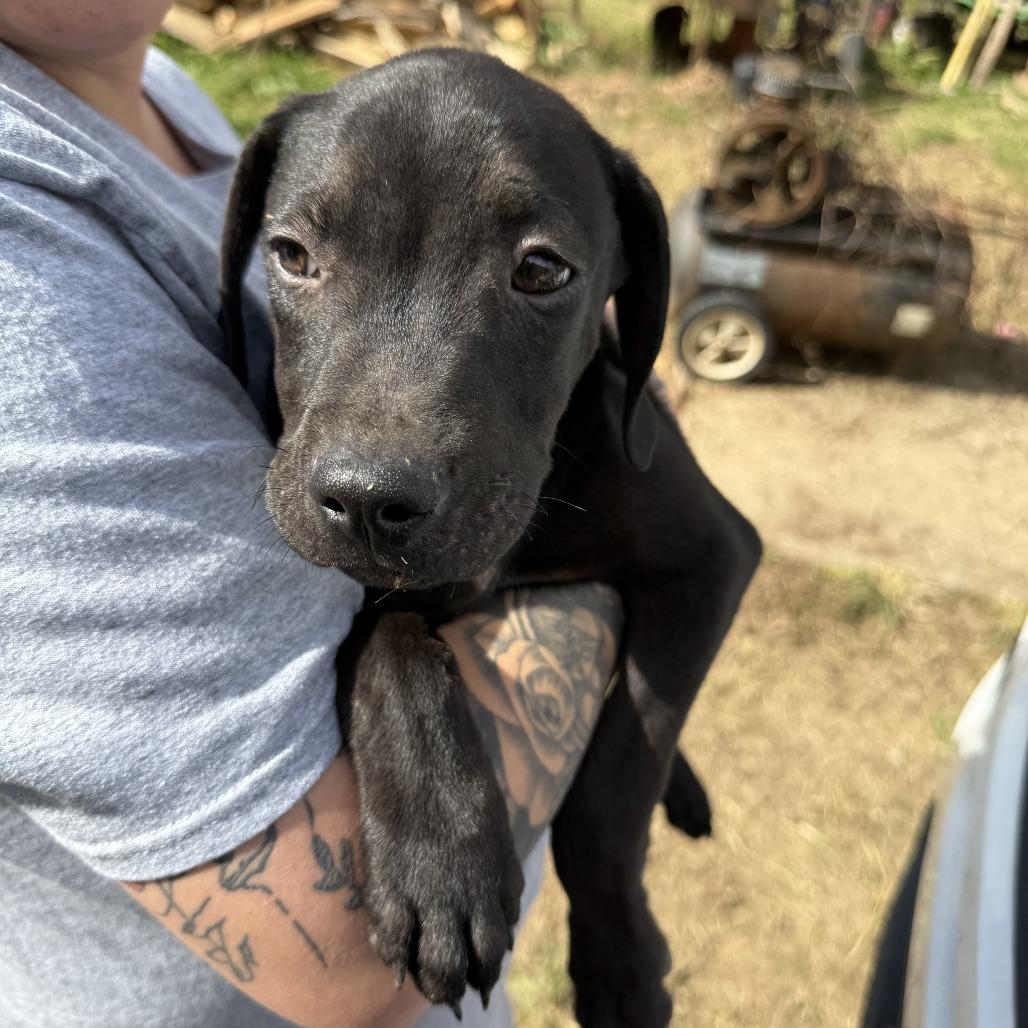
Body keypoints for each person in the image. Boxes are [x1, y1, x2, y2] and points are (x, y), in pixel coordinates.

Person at [0, 3, 621, 1025]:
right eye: (296, 257)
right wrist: (606, 559)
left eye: (539, 270)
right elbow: (353, 956)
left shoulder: (163, 96)